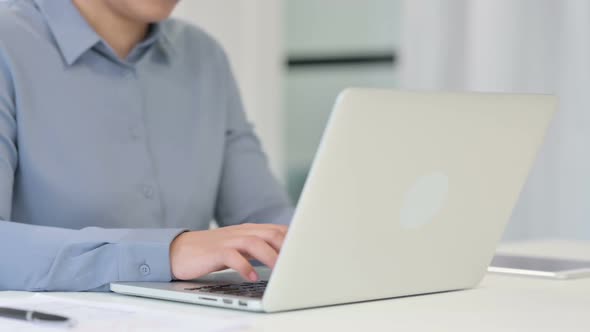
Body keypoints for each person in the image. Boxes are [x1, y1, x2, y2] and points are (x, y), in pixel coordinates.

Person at [0, 0, 293, 291]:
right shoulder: (8, 44)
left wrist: (317, 246)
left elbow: (263, 217)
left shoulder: (203, 56)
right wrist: (167, 253)